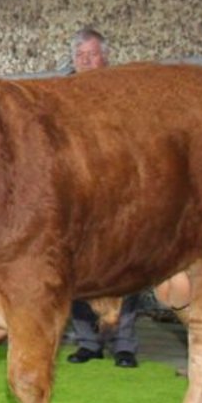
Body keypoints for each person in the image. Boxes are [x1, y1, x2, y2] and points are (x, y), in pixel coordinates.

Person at [61, 28, 142, 369]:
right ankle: (87, 341)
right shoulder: (61, 95)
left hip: (118, 191)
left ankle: (124, 343)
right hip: (78, 192)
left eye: (92, 55)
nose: (87, 61)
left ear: (105, 58)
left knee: (126, 265)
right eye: (81, 56)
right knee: (78, 265)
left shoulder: (123, 93)